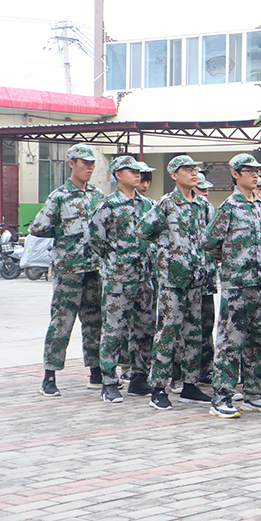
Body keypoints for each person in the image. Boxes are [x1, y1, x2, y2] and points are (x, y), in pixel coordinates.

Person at [203, 154, 261, 418]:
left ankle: (255, 393)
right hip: (237, 285)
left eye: (257, 171)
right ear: (235, 174)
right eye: (249, 171)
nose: (255, 175)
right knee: (230, 341)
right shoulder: (229, 207)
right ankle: (221, 396)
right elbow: (210, 242)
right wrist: (233, 262)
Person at [136, 155, 214, 410]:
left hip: (195, 278)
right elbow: (143, 230)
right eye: (187, 169)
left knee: (194, 333)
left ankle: (190, 385)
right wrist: (166, 252)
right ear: (174, 174)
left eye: (195, 169)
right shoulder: (166, 204)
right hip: (172, 280)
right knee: (167, 332)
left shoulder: (201, 205)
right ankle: (158, 387)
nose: (193, 173)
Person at [31, 144, 106, 397]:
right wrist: (64, 234)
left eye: (92, 163)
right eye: (84, 163)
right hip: (69, 271)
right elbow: (38, 227)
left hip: (94, 269)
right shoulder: (59, 196)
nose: (89, 167)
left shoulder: (97, 195)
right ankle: (49, 376)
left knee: (95, 322)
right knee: (61, 323)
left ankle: (96, 372)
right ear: (71, 164)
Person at [87, 156, 153, 402]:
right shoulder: (108, 206)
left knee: (144, 328)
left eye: (139, 172)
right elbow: (95, 238)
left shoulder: (148, 205)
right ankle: (110, 382)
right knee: (114, 330)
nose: (138, 175)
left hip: (145, 277)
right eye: (132, 171)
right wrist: (114, 259)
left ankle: (138, 378)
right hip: (118, 278)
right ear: (118, 175)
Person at [193, 173, 217, 384]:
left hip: (206, 279)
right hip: (186, 281)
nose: (205, 194)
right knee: (186, 327)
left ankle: (205, 369)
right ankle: (181, 374)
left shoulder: (210, 210)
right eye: (201, 190)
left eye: (206, 190)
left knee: (206, 326)